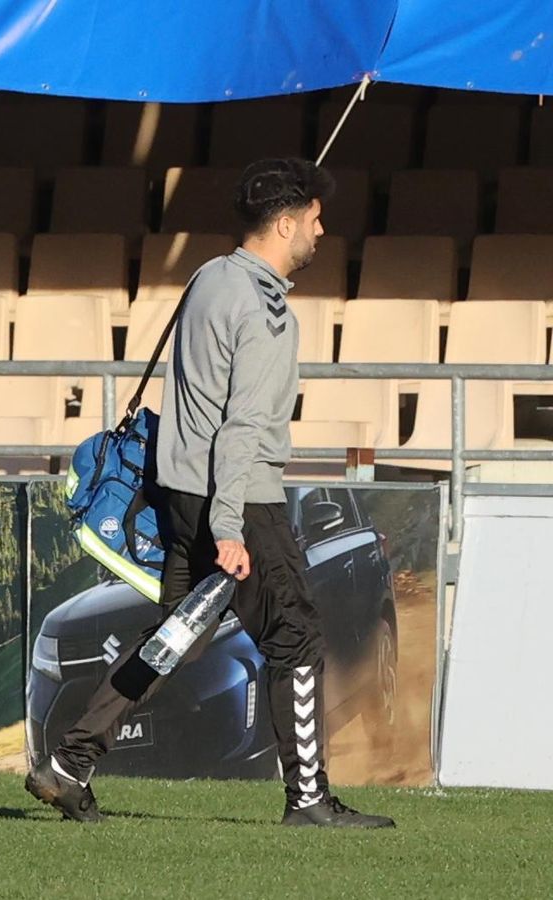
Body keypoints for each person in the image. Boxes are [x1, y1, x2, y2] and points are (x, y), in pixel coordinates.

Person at [24, 158, 395, 829]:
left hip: (183, 494)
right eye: (315, 220)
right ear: (285, 224)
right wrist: (229, 526)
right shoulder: (265, 308)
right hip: (240, 498)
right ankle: (309, 800)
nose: (321, 231)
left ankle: (69, 762)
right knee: (296, 637)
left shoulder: (209, 277)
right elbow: (243, 425)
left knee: (179, 636)